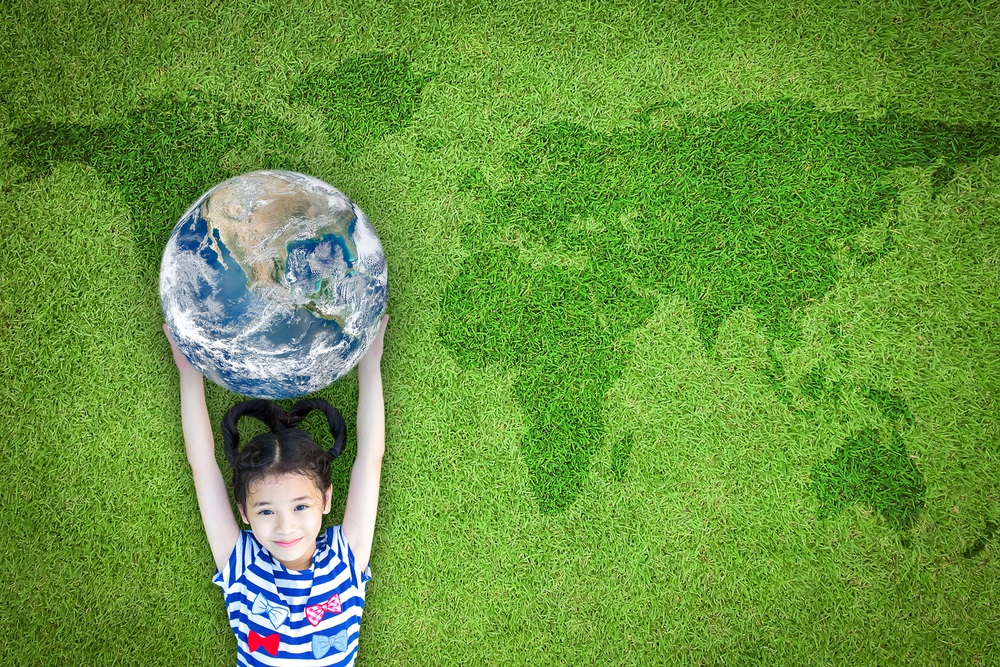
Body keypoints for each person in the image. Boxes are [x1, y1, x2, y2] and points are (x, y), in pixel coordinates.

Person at [165, 315, 388, 666]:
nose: (285, 527)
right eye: (266, 511)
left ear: (326, 499)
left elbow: (370, 460)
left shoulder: (347, 559)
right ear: (244, 513)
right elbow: (203, 467)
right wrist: (189, 373)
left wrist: (369, 364)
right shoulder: (241, 563)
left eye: (300, 507)